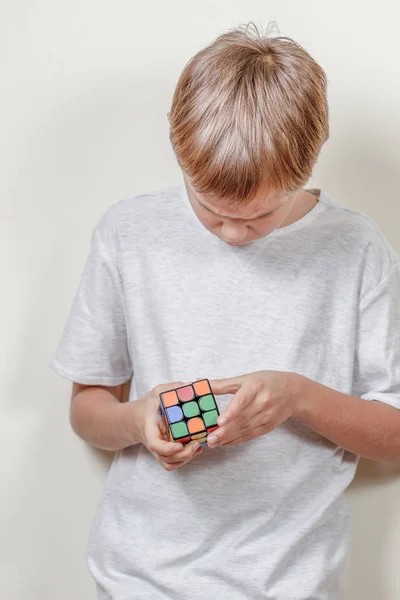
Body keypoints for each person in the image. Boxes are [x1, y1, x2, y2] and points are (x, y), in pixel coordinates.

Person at [49, 21, 400, 600]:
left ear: (305, 168)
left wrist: (297, 397)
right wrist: (140, 420)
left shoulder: (358, 250)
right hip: (140, 577)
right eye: (210, 210)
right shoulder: (128, 234)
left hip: (293, 582)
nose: (234, 235)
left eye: (260, 216)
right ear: (181, 155)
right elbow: (86, 409)